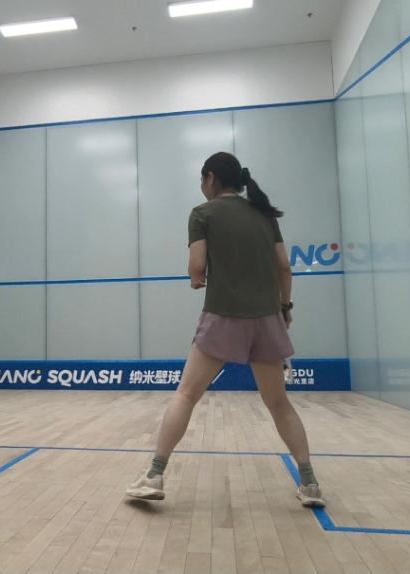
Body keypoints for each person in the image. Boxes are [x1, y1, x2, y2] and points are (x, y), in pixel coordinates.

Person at [125, 152, 324, 507]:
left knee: (186, 394)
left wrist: (196, 278)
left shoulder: (202, 214)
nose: (201, 187)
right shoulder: (264, 214)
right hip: (268, 319)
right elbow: (284, 267)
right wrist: (285, 307)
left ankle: (154, 475)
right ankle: (309, 482)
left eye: (202, 180)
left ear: (211, 178)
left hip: (222, 317)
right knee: (279, 403)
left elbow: (197, 266)